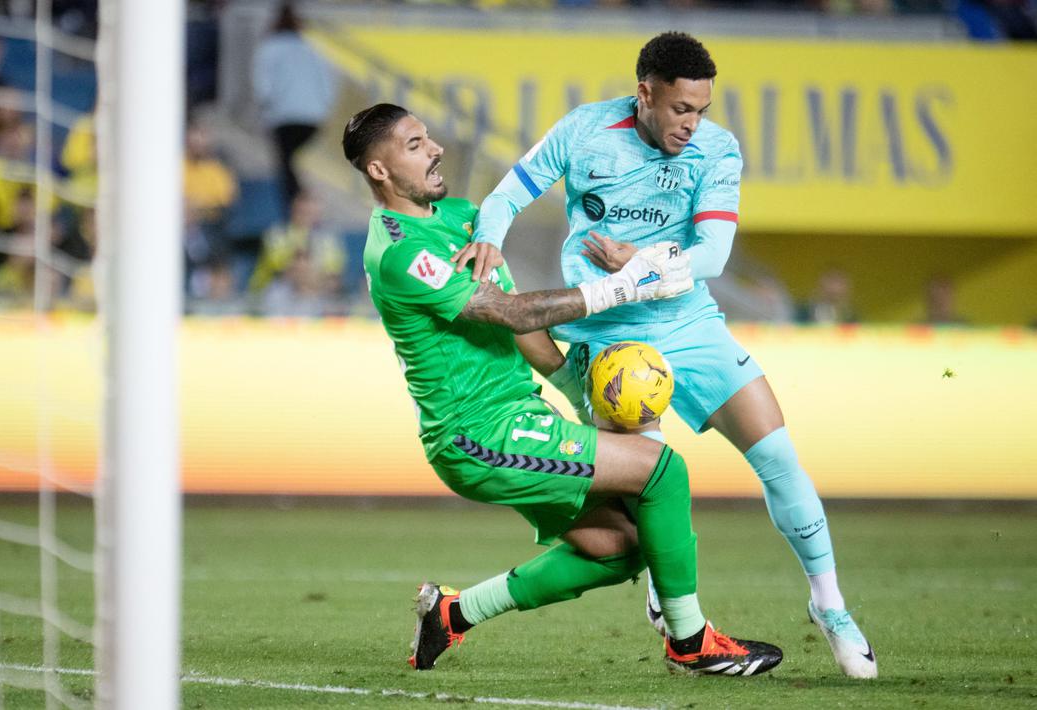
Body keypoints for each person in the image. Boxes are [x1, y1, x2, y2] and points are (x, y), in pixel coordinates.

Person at [455, 32, 876, 679]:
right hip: (609, 336)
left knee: (778, 458)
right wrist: (487, 240)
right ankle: (677, 617)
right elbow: (507, 193)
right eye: (681, 108)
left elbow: (712, 254)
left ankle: (831, 607)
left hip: (689, 323)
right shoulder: (585, 130)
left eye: (701, 109)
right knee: (647, 485)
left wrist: (642, 262)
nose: (692, 123)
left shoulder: (716, 149)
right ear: (645, 93)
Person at [343, 102, 783, 676]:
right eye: (414, 144)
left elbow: (524, 331)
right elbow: (504, 312)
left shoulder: (462, 217)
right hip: (473, 435)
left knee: (622, 547)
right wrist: (618, 288)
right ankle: (691, 641)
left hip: (518, 416)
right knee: (661, 471)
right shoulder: (399, 250)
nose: (436, 149)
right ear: (380, 171)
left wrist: (576, 390)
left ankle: (452, 614)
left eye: (428, 138)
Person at [252, 2, 336, 203]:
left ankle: (295, 204)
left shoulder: (270, 47)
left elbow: (263, 85)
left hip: (284, 115)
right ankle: (303, 200)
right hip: (314, 116)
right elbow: (328, 84)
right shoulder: (313, 48)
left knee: (286, 164)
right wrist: (322, 108)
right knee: (296, 162)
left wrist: (265, 108)